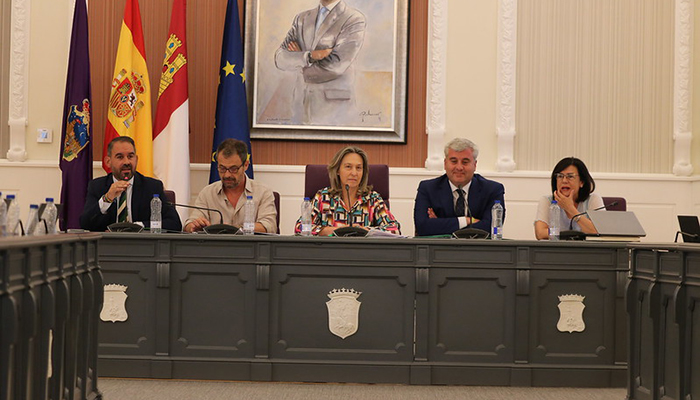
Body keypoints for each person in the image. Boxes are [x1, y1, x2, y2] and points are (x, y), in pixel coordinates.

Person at [274, 0, 366, 125]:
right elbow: (280, 58)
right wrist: (310, 56)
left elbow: (335, 66)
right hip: (300, 106)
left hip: (335, 110)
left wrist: (297, 60)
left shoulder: (353, 19)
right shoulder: (301, 18)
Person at [80, 136, 182, 232]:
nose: (127, 162)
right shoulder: (97, 186)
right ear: (108, 162)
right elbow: (85, 223)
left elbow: (174, 224)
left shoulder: (152, 187)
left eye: (130, 156)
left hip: (141, 243)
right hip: (108, 243)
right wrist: (107, 199)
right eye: (120, 157)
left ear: (136, 159)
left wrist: (138, 226)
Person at [295, 146, 400, 236]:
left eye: (358, 168)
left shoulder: (372, 199)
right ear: (337, 170)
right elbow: (300, 228)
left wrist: (364, 231)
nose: (354, 173)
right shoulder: (323, 198)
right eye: (348, 167)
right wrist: (335, 231)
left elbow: (394, 229)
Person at [414, 138, 505, 236]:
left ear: (474, 165)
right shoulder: (428, 188)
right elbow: (422, 226)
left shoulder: (492, 190)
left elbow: (492, 228)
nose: (459, 167)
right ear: (445, 164)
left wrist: (439, 225)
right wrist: (466, 221)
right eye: (454, 161)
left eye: (465, 162)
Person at [184, 139, 277, 233]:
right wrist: (193, 226)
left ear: (245, 165)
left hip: (249, 243)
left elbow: (269, 226)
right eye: (222, 168)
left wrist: (233, 229)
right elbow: (189, 224)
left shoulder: (263, 192)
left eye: (233, 169)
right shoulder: (207, 193)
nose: (227, 175)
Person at [534, 157, 604, 240]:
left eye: (570, 176)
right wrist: (565, 234)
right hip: (557, 248)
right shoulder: (547, 201)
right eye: (560, 176)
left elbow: (599, 232)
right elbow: (540, 233)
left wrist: (571, 209)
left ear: (581, 182)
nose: (564, 181)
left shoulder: (593, 200)